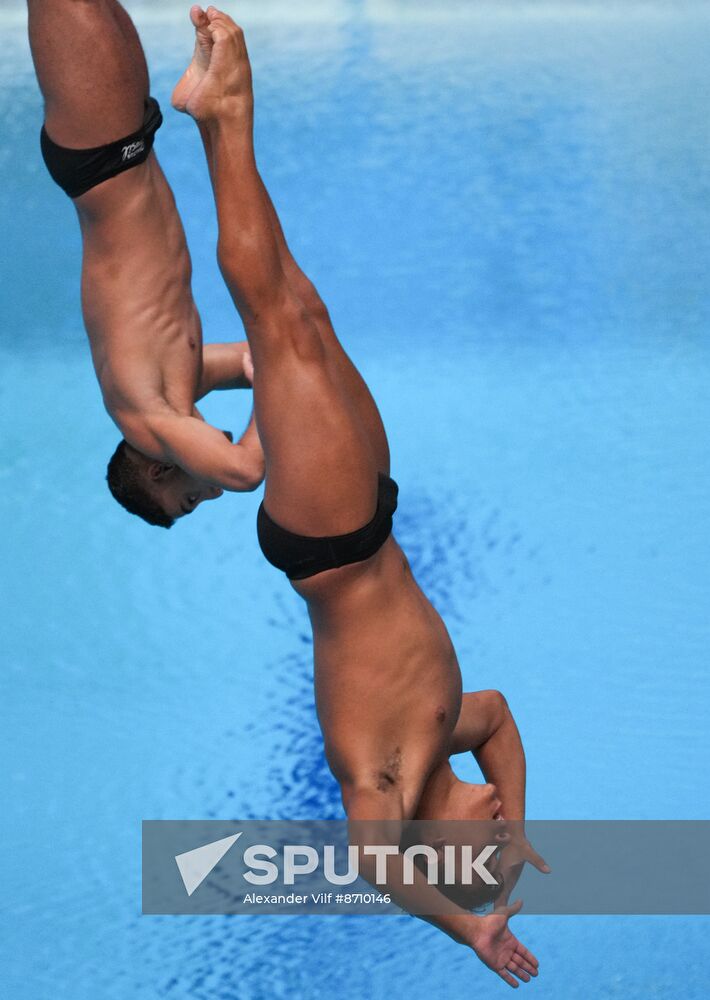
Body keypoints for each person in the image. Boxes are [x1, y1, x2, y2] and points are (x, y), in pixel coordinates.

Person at [178, 7, 542, 985]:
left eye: (489, 837)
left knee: (273, 318)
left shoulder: (382, 779)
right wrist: (519, 815)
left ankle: (223, 113)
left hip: (329, 537)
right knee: (302, 309)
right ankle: (217, 121)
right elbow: (500, 715)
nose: (498, 817)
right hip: (366, 508)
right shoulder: (447, 733)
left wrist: (469, 928)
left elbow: (377, 870)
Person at [28, 0, 265, 527]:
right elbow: (263, 357)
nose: (212, 494)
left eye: (190, 499)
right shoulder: (179, 387)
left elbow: (247, 471)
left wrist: (274, 393)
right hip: (127, 146)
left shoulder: (146, 421)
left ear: (161, 471)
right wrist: (275, 376)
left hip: (101, 156)